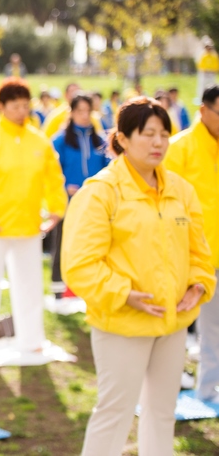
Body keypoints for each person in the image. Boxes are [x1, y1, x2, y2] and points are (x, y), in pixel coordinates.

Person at [62, 98, 215, 455]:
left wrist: (198, 285)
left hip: (173, 321)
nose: (159, 142)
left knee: (163, 413)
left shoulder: (180, 188)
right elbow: (80, 264)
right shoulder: (101, 191)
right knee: (114, 413)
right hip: (122, 323)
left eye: (164, 134)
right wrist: (125, 294)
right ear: (123, 139)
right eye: (148, 134)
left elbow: (200, 252)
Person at [0, 77, 68, 358]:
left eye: (25, 105)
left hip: (28, 225)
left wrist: (57, 209)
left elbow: (53, 177)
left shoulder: (38, 139)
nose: (22, 111)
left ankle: (32, 341)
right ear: (1, 106)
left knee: (30, 287)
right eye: (16, 106)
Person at [165, 85, 219, 403]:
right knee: (206, 327)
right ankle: (206, 391)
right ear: (203, 110)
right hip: (196, 254)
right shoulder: (179, 148)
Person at [50, 95, 110, 300]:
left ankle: (86, 290)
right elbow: (51, 171)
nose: (84, 116)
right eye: (80, 111)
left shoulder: (100, 140)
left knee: (91, 244)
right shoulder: (60, 140)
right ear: (72, 112)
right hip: (68, 202)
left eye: (88, 111)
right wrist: (66, 186)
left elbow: (108, 169)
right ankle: (58, 290)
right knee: (63, 242)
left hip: (94, 202)